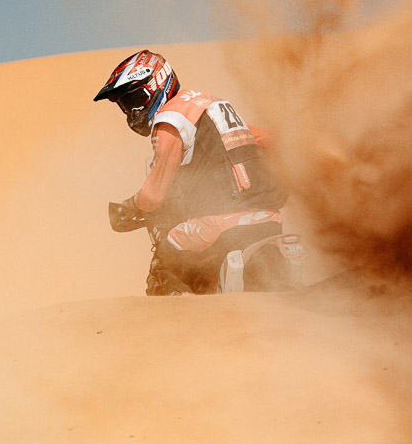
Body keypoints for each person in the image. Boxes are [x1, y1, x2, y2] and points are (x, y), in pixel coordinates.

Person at [93, 49, 289, 295]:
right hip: (270, 219)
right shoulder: (211, 107)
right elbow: (269, 140)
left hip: (220, 224)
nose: (132, 111)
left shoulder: (171, 118)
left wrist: (130, 205)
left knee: (164, 263)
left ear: (157, 84)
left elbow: (153, 196)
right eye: (125, 106)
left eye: (134, 100)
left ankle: (187, 314)